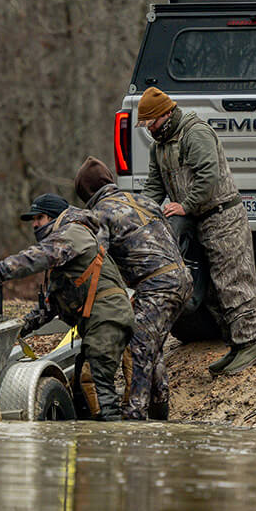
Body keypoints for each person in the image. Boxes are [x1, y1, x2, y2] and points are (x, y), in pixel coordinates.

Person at [0, 192, 134, 421]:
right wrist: (18, 330)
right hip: (100, 321)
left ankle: (113, 442)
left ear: (53, 217)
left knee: (98, 388)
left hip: (107, 319)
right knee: (83, 395)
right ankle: (94, 445)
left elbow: (34, 258)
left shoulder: (72, 233)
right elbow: (49, 308)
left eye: (39, 218)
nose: (34, 225)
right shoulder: (67, 244)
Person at [135, 86, 256, 375]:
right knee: (211, 288)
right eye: (145, 125)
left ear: (165, 114)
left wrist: (184, 205)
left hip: (222, 217)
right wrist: (140, 213)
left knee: (233, 279)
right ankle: (235, 346)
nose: (149, 129)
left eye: (151, 123)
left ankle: (250, 344)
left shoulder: (195, 133)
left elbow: (209, 175)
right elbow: (155, 185)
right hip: (199, 220)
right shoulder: (160, 146)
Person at [73, 155, 193, 420]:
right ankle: (160, 409)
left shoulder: (100, 213)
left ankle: (135, 420)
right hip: (182, 278)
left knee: (138, 347)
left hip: (156, 286)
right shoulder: (144, 200)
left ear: (85, 192)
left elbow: (96, 261)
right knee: (152, 344)